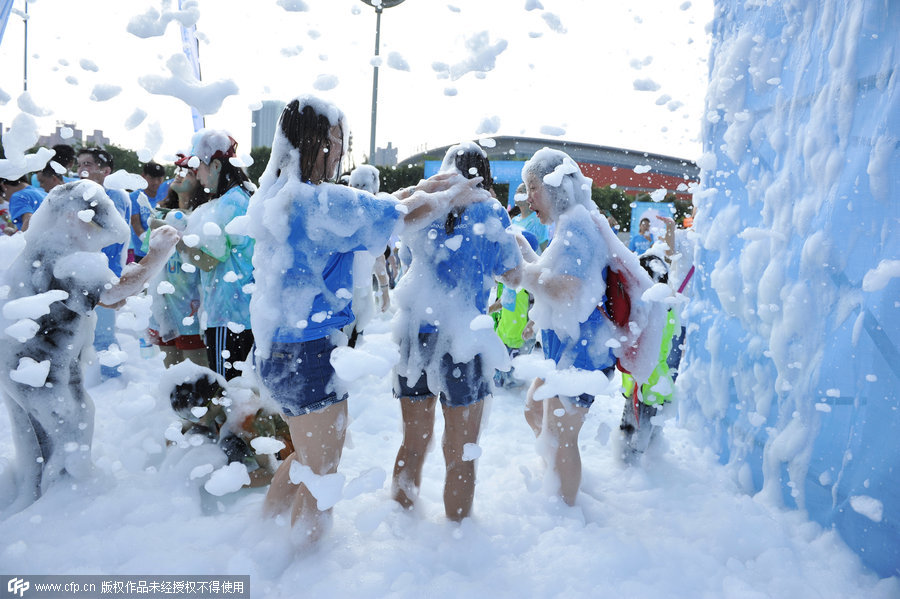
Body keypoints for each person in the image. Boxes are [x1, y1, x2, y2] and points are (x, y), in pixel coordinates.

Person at [247, 96, 489, 542]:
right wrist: (457, 192)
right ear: (317, 142)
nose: (342, 148)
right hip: (309, 353)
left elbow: (376, 206)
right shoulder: (320, 202)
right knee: (322, 475)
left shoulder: (282, 195)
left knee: (302, 457)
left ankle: (263, 543)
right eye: (338, 138)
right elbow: (400, 216)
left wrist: (434, 185)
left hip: (275, 347)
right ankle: (300, 569)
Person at [0, 180, 179, 514]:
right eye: (90, 222)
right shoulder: (63, 255)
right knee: (71, 431)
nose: (94, 234)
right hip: (44, 369)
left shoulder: (35, 249)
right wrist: (158, 254)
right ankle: (61, 512)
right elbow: (113, 295)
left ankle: (30, 501)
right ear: (71, 216)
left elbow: (101, 300)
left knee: (35, 443)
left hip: (18, 366)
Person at [513, 148, 665, 506]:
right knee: (535, 411)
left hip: (582, 355)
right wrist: (523, 253)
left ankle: (564, 510)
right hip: (567, 350)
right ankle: (556, 478)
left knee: (560, 435)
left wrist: (521, 274)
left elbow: (567, 289)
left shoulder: (577, 226)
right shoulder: (568, 224)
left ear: (555, 187)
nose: (528, 196)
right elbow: (553, 277)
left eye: (533, 187)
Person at [391, 142, 522, 521]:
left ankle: (399, 526)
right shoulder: (492, 212)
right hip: (465, 340)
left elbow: (404, 263)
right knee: (461, 451)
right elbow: (512, 276)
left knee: (413, 443)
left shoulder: (426, 206)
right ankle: (457, 539)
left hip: (415, 335)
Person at [178, 130, 255, 380]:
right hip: (249, 315)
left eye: (197, 166)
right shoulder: (244, 196)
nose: (196, 174)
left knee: (227, 390)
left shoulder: (228, 204)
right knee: (247, 391)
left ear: (217, 165)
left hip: (228, 315)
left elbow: (209, 261)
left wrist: (175, 240)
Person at [164, 362, 293, 488]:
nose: (191, 420)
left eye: (194, 415)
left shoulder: (246, 417)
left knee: (229, 449)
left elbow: (272, 471)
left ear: (217, 401)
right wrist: (176, 431)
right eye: (185, 415)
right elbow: (191, 418)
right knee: (202, 432)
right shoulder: (219, 395)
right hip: (243, 431)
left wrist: (227, 484)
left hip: (283, 449)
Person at [145, 159, 210, 368]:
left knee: (196, 380)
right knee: (172, 378)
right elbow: (151, 260)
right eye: (179, 171)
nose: (180, 175)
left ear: (200, 180)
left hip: (190, 309)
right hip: (163, 309)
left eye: (189, 173)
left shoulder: (203, 217)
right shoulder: (161, 213)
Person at [76, 147, 134, 380]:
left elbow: (111, 233)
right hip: (84, 274)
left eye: (88, 164)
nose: (81, 169)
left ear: (105, 170)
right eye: (79, 164)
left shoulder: (115, 194)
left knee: (103, 336)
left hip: (106, 276)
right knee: (81, 336)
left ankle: (114, 384)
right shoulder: (82, 193)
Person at [619, 252, 678, 460]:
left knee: (632, 443)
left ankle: (631, 474)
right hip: (655, 384)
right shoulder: (668, 308)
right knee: (648, 435)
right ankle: (648, 472)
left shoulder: (650, 311)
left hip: (645, 385)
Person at [510, 182, 550, 252]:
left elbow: (544, 247)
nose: (517, 194)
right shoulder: (514, 220)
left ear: (529, 196)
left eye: (521, 192)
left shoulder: (538, 219)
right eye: (517, 192)